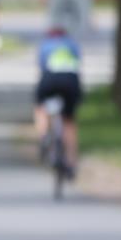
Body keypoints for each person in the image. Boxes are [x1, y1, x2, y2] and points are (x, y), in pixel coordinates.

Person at [33, 26, 83, 178]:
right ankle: (71, 163)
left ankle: (43, 137)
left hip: (50, 79)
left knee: (40, 107)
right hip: (70, 80)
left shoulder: (45, 45)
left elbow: (41, 67)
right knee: (69, 122)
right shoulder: (72, 44)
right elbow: (78, 65)